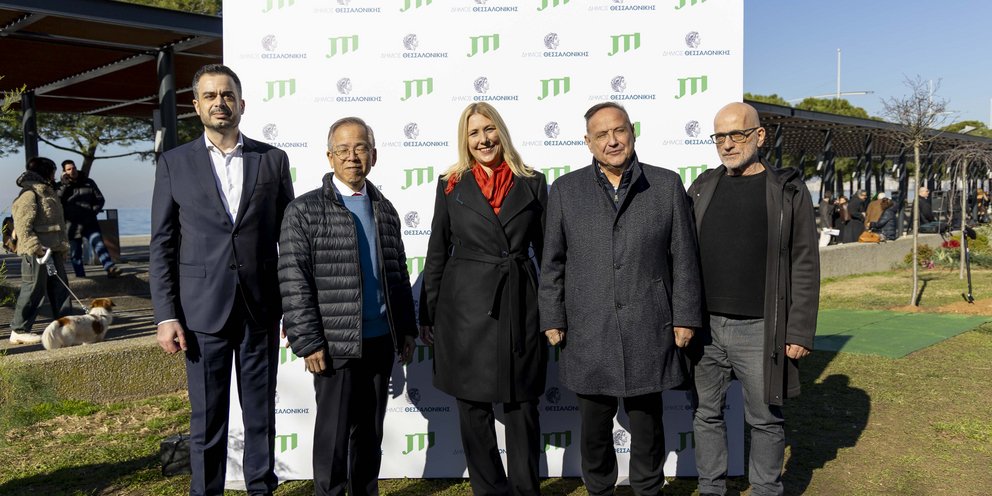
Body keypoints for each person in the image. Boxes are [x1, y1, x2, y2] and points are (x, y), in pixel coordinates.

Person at [539, 102, 702, 496]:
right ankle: (599, 489)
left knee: (647, 422)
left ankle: (648, 487)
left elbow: (684, 258)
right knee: (594, 425)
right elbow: (552, 261)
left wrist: (686, 317)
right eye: (602, 135)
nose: (612, 141)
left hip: (650, 325)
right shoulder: (565, 190)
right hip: (588, 328)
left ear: (632, 132)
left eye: (619, 131)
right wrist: (552, 317)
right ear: (588, 142)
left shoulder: (665, 185)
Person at [149, 64, 294, 496]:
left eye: (227, 95)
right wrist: (165, 316)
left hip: (260, 309)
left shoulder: (272, 160)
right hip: (200, 313)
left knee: (260, 415)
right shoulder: (174, 163)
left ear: (241, 104)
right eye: (210, 96)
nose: (220, 103)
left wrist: (294, 308)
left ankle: (260, 489)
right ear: (196, 106)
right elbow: (162, 244)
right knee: (207, 419)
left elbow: (289, 241)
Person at [279, 117, 416, 496]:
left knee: (370, 435)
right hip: (334, 344)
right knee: (334, 437)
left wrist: (406, 327)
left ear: (374, 155)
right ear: (330, 156)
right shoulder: (304, 210)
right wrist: (308, 341)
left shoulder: (384, 208)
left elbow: (397, 272)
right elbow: (293, 279)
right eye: (343, 149)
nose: (352, 156)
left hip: (380, 340)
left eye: (360, 148)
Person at [688, 102, 819, 496]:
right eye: (719, 137)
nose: (727, 144)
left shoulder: (788, 190)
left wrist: (799, 329)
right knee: (706, 414)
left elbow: (805, 262)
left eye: (737, 134)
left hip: (762, 328)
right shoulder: (701, 187)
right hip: (705, 328)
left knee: (765, 419)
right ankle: (711, 488)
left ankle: (765, 489)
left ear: (759, 136)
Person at [419, 103, 547, 496]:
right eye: (474, 133)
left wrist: (555, 311)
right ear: (465, 140)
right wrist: (428, 314)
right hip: (464, 307)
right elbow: (437, 250)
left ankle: (526, 490)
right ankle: (490, 490)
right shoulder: (451, 183)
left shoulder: (533, 182)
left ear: (501, 132)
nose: (483, 139)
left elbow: (549, 253)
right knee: (472, 405)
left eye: (489, 130)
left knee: (522, 404)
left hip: (519, 302)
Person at [8, 156, 73, 345]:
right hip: (36, 252)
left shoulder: (47, 192)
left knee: (61, 288)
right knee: (33, 288)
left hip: (53, 249)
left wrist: (62, 247)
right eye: (52, 171)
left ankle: (65, 328)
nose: (54, 176)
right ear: (46, 172)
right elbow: (23, 225)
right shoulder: (29, 194)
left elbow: (56, 223)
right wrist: (35, 246)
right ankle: (19, 330)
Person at [56, 159, 121, 278]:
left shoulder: (88, 182)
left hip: (89, 222)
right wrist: (64, 185)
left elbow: (100, 199)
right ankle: (80, 276)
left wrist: (92, 212)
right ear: (64, 172)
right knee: (75, 253)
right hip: (71, 225)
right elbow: (57, 202)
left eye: (74, 168)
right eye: (69, 169)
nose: (72, 171)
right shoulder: (60, 186)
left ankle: (110, 268)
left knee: (99, 244)